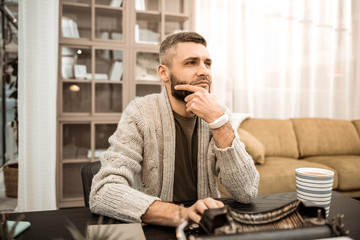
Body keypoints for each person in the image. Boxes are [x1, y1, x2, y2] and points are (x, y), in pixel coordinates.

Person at [89, 31, 259, 227]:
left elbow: (247, 192)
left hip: (207, 226)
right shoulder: (140, 113)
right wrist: (181, 214)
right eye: (191, 62)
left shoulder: (220, 114)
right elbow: (103, 191)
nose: (204, 71)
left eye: (207, 63)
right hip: (156, 226)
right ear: (164, 73)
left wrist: (217, 121)